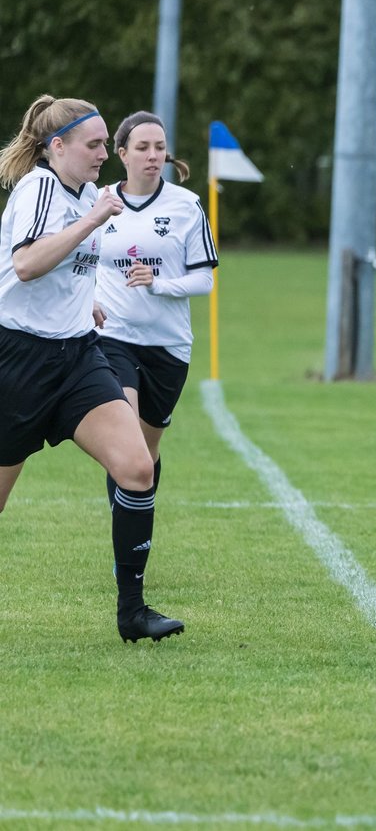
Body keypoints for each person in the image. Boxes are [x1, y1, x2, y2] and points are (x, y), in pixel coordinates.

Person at [0, 95, 183, 643]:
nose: (106, 153)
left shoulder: (85, 193)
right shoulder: (40, 187)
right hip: (18, 361)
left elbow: (68, 270)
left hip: (78, 353)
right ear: (58, 147)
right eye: (96, 144)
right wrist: (96, 218)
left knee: (136, 467)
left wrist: (87, 302)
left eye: (106, 143)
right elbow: (28, 264)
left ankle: (133, 612)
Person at [95, 111, 217, 583]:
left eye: (160, 147)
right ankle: (124, 547)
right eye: (142, 147)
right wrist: (89, 302)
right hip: (112, 339)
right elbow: (77, 263)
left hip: (168, 346)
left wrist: (158, 282)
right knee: (124, 445)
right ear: (121, 153)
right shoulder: (99, 202)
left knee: (146, 454)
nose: (153, 156)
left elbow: (205, 280)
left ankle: (135, 526)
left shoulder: (186, 206)